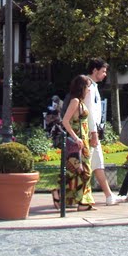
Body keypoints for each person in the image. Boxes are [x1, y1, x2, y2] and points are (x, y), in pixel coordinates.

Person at [53, 74, 95, 211]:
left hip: (83, 143)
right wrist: (76, 138)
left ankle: (82, 201)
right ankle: (60, 193)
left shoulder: (81, 102)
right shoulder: (75, 101)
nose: (89, 89)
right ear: (82, 87)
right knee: (77, 171)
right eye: (88, 86)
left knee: (83, 171)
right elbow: (65, 121)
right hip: (76, 143)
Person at [85, 59, 123, 206]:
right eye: (103, 71)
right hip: (90, 132)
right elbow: (90, 111)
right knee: (93, 163)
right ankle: (107, 195)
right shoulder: (89, 86)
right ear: (95, 70)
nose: (105, 74)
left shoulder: (92, 86)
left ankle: (108, 195)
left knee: (96, 163)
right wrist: (94, 132)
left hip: (92, 131)